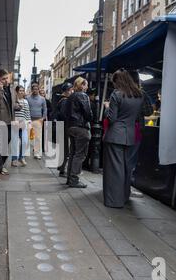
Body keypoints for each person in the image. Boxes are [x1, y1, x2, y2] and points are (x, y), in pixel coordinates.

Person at [102, 69, 145, 208]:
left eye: (114, 82)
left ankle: (115, 201)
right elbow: (139, 117)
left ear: (118, 81)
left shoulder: (117, 94)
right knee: (127, 168)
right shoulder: (139, 95)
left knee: (114, 169)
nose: (113, 85)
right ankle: (124, 196)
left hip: (115, 135)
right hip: (131, 135)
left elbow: (112, 118)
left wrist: (107, 107)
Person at [127, 71, 154, 190]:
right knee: (131, 159)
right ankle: (126, 188)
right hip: (136, 128)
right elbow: (149, 112)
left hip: (121, 129)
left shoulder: (121, 94)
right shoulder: (141, 94)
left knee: (121, 159)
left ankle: (119, 187)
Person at [64, 77, 93, 188]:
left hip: (71, 127)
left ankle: (69, 178)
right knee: (80, 155)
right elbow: (88, 113)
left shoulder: (71, 96)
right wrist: (91, 118)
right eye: (85, 85)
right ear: (81, 85)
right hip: (81, 127)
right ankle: (74, 179)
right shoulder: (83, 96)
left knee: (73, 153)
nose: (87, 87)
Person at [54, 82, 74, 177]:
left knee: (63, 148)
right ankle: (62, 170)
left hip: (60, 126)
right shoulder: (65, 100)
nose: (72, 91)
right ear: (68, 91)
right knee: (65, 149)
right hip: (64, 127)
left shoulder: (59, 99)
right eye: (72, 90)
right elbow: (63, 115)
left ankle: (61, 167)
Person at [11, 86, 31, 167]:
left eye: (23, 90)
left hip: (23, 123)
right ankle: (14, 159)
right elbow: (12, 112)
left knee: (25, 141)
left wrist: (28, 122)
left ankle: (21, 157)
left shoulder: (25, 101)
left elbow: (27, 112)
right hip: (15, 123)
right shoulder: (13, 101)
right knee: (15, 142)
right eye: (20, 90)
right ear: (16, 91)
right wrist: (14, 121)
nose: (22, 92)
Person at [26, 83, 48, 160]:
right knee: (27, 137)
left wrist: (43, 118)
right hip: (29, 119)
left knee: (38, 137)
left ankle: (37, 153)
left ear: (38, 89)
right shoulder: (27, 98)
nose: (35, 90)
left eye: (36, 89)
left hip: (38, 120)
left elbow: (45, 109)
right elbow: (25, 109)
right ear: (32, 90)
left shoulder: (42, 99)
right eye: (34, 89)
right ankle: (26, 152)